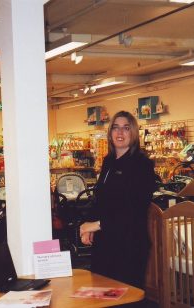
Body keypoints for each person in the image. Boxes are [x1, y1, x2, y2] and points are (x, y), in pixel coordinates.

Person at [80, 110, 157, 292]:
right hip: (106, 242)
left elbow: (134, 209)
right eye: (115, 127)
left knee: (125, 298)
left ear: (134, 133)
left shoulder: (142, 165)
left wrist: (96, 225)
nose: (120, 133)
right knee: (102, 295)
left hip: (129, 244)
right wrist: (89, 224)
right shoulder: (109, 161)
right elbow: (101, 198)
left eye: (126, 128)